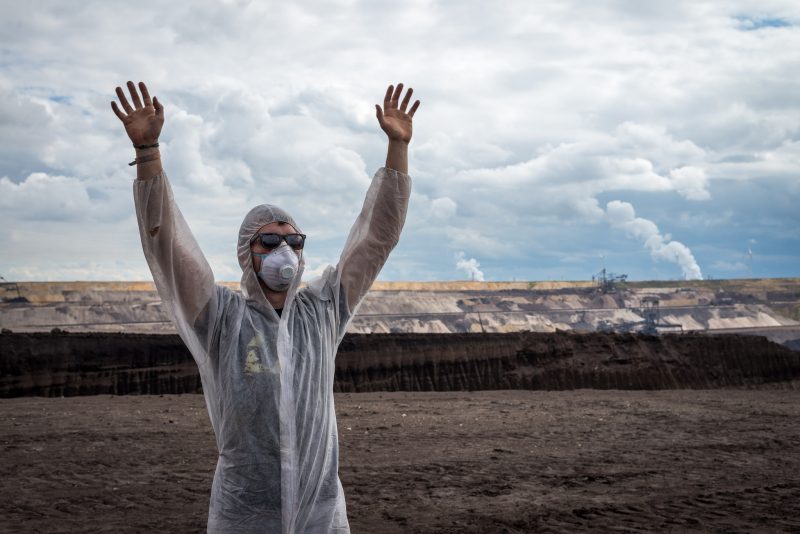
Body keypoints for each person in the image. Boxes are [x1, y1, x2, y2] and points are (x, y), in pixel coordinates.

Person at [111, 80, 420, 533]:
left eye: (294, 242)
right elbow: (168, 248)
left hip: (319, 513)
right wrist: (148, 153)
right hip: (245, 514)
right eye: (270, 242)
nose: (284, 253)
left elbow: (377, 238)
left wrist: (398, 147)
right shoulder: (222, 318)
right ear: (246, 252)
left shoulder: (323, 311)